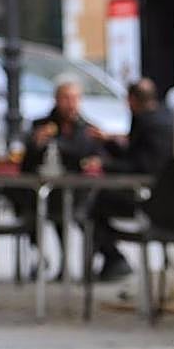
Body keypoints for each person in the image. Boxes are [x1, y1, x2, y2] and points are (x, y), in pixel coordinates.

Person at [85, 78, 174, 281]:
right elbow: (136, 155)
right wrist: (109, 142)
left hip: (145, 196)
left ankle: (114, 259)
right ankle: (114, 260)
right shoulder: (165, 116)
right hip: (165, 196)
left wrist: (103, 165)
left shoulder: (143, 121)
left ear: (132, 100)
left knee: (92, 206)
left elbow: (139, 166)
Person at [17, 79, 105, 280]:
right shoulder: (41, 126)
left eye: (74, 98)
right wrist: (35, 143)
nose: (70, 103)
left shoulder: (87, 128)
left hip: (76, 191)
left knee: (88, 211)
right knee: (27, 203)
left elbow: (94, 156)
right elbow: (26, 162)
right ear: (56, 100)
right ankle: (39, 256)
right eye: (66, 98)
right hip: (44, 190)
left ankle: (94, 259)